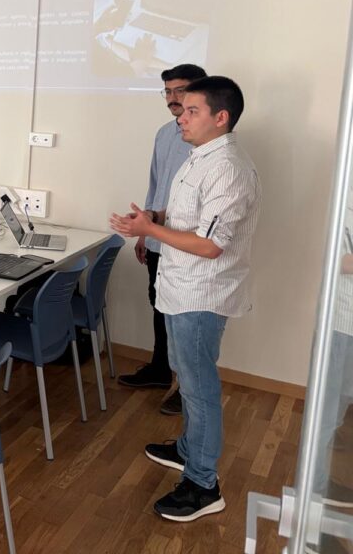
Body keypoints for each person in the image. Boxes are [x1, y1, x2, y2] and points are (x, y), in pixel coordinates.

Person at [110, 75, 260, 522]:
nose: (181, 116)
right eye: (181, 108)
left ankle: (203, 484)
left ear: (221, 117)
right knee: (188, 377)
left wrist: (149, 230)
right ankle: (189, 449)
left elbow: (211, 245)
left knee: (198, 389)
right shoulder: (200, 156)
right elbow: (186, 216)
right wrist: (154, 215)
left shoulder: (227, 167)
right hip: (180, 288)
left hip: (202, 293)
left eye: (192, 110)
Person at [118, 64, 206, 418]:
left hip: (185, 242)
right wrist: (145, 230)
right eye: (167, 91)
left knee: (183, 317)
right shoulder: (164, 133)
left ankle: (186, 388)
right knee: (158, 305)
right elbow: (156, 184)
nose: (172, 98)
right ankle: (159, 369)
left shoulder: (205, 139)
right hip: (156, 237)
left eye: (180, 90)